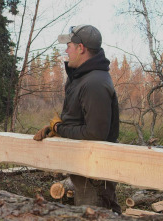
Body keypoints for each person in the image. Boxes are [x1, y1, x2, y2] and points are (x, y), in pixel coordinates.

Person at [33, 25, 121, 214]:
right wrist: (53, 128)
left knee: (97, 215)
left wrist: (59, 127)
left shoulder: (94, 83)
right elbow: (77, 118)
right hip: (84, 168)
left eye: (69, 45)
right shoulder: (81, 77)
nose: (66, 50)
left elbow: (95, 134)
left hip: (95, 176)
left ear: (81, 48)